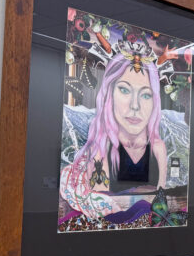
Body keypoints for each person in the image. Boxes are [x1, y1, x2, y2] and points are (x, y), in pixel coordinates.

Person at [60, 53, 167, 220]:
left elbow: (162, 205)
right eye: (124, 90)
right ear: (109, 93)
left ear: (155, 101)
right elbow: (104, 208)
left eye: (146, 94)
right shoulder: (102, 146)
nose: (135, 106)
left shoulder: (158, 148)